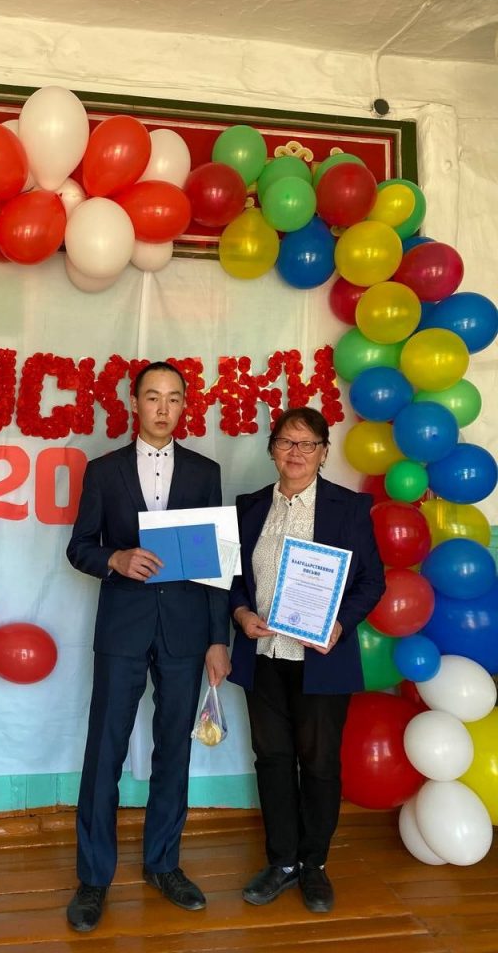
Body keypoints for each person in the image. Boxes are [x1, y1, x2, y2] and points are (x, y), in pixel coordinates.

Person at [65, 361, 231, 932]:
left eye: (174, 398)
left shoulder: (206, 472)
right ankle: (93, 878)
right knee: (104, 749)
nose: (163, 408)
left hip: (186, 629)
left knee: (174, 750)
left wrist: (218, 638)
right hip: (123, 627)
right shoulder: (103, 470)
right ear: (134, 402)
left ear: (185, 406)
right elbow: (79, 546)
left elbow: (216, 564)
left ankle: (164, 864)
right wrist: (114, 557)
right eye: (153, 397)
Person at [228, 407, 384, 914]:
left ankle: (314, 864)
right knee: (272, 759)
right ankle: (282, 862)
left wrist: (340, 625)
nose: (296, 453)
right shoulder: (248, 507)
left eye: (307, 444)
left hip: (321, 658)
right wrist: (241, 613)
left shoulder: (349, 508)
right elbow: (234, 577)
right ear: (272, 448)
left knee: (318, 764)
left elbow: (372, 581)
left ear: (323, 452)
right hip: (263, 654)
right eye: (286, 442)